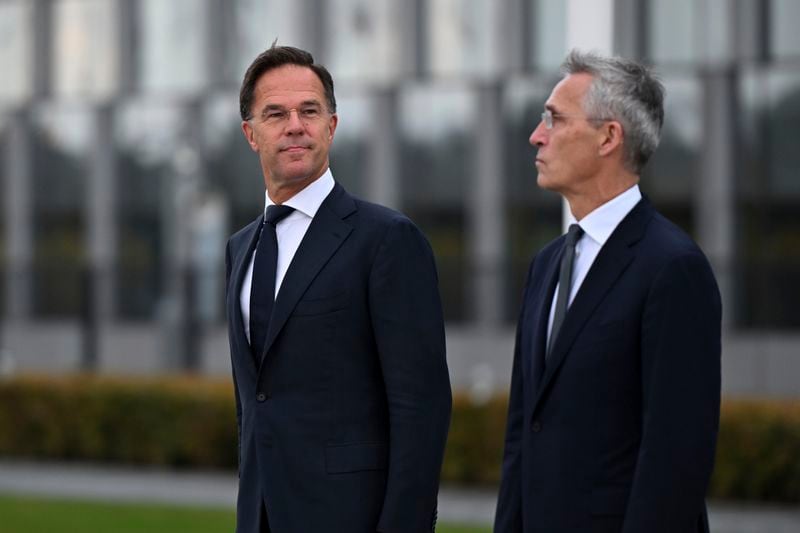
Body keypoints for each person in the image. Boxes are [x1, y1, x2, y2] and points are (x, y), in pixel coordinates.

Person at [225, 44, 451, 533]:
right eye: (276, 114)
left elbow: (421, 409)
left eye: (310, 111)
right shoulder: (240, 249)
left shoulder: (387, 240)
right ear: (251, 134)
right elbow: (254, 405)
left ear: (331, 124)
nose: (295, 125)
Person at [494, 50, 721, 533]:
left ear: (609, 137)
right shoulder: (546, 264)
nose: (537, 135)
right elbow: (523, 434)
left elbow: (675, 457)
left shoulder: (673, 268)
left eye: (553, 119)